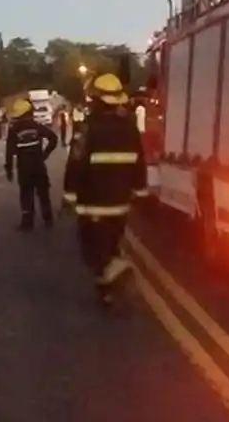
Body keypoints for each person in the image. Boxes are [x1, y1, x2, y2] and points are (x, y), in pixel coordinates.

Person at [63, 73, 148, 307]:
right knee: (110, 246)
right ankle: (106, 293)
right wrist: (140, 190)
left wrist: (69, 195)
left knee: (93, 251)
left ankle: (119, 271)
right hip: (120, 204)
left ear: (96, 99)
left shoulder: (88, 128)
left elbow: (76, 163)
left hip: (93, 204)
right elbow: (139, 161)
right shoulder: (130, 128)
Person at [5, 99, 58, 231]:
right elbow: (53, 138)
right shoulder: (36, 126)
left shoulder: (14, 130)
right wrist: (45, 154)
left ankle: (27, 223)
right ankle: (48, 219)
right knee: (43, 193)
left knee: (26, 194)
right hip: (38, 165)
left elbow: (9, 151)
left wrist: (9, 169)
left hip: (24, 168)